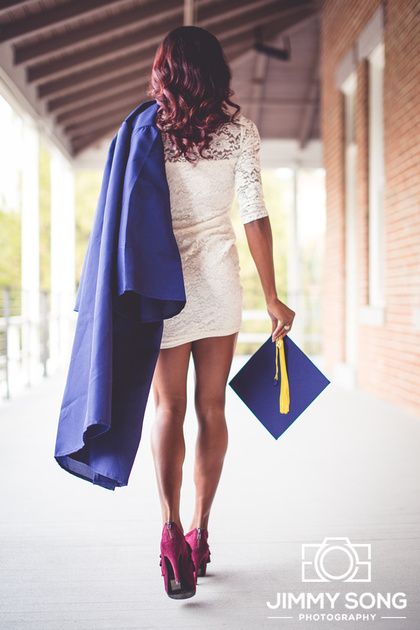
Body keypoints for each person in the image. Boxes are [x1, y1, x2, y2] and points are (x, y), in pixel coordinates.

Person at [147, 25, 295, 599]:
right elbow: (255, 216)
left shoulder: (146, 132)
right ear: (216, 71)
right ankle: (202, 534)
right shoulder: (240, 133)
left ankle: (170, 534)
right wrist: (272, 294)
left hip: (162, 285)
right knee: (211, 408)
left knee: (168, 408)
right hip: (218, 284)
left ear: (164, 72)